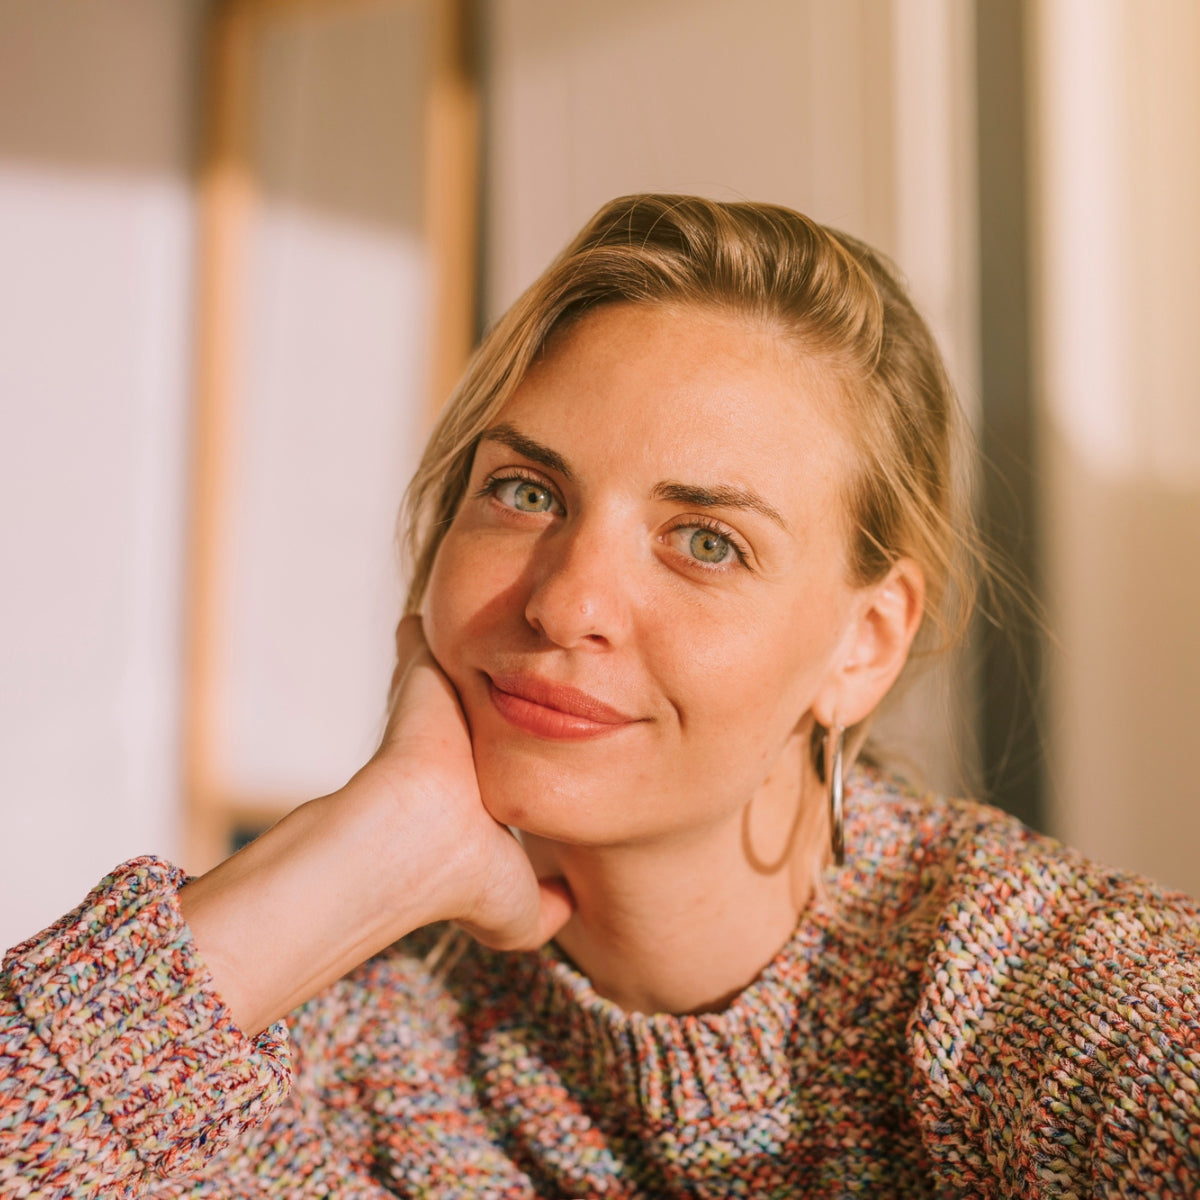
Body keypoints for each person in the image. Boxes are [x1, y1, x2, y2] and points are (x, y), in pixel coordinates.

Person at [3, 194, 1198, 1198]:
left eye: (707, 541)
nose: (566, 600)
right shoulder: (344, 1038)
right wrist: (355, 858)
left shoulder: (1018, 998)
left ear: (863, 646)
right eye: (526, 492)